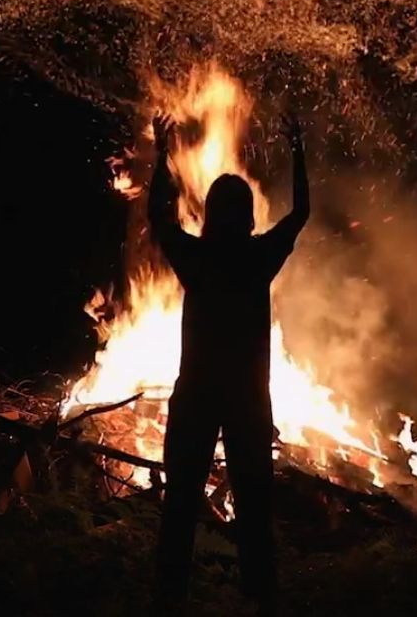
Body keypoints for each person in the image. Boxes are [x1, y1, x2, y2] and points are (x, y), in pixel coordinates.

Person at [150, 111, 309, 616]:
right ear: (249, 218)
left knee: (179, 505)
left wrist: (162, 154)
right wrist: (297, 148)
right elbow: (301, 213)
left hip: (196, 397)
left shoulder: (194, 260)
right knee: (255, 507)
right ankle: (260, 595)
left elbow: (160, 217)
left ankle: (170, 594)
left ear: (209, 215)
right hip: (246, 402)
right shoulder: (258, 259)